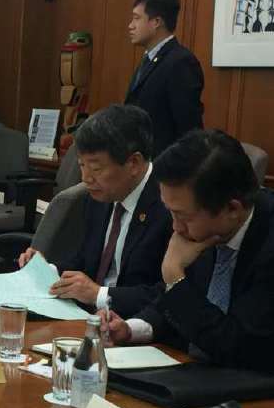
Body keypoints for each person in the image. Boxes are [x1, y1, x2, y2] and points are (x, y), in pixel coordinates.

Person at [102, 129, 274, 389]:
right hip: (216, 377)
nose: (175, 227)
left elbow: (236, 347)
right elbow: (182, 300)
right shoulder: (212, 228)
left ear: (232, 209)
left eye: (183, 216)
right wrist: (131, 329)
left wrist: (174, 275)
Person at [17, 105, 171, 318]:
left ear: (133, 163)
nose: (86, 178)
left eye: (96, 168)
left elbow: (169, 295)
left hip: (134, 325)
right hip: (86, 318)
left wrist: (98, 294)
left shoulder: (170, 205)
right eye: (82, 165)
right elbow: (86, 262)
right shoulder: (100, 195)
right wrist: (47, 270)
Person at [124, 0, 204, 156]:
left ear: (156, 22)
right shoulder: (149, 59)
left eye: (137, 18)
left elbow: (189, 130)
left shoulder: (181, 62)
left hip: (164, 164)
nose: (130, 26)